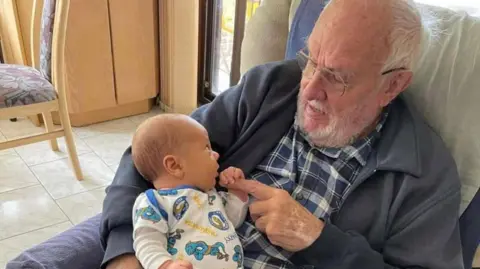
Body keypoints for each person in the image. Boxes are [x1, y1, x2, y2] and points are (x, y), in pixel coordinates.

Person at [101, 0, 464, 268]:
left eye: (337, 76)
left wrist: (319, 240)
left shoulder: (425, 175)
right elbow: (152, 149)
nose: (309, 88)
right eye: (312, 60)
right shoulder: (271, 87)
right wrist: (124, 254)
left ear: (393, 85)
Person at [130, 114, 249, 269]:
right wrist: (165, 265)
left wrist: (237, 191)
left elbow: (233, 220)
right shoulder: (155, 203)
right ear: (175, 166)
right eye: (207, 148)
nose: (217, 155)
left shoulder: (212, 197)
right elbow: (146, 241)